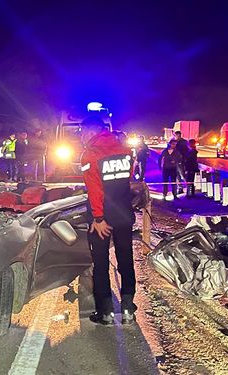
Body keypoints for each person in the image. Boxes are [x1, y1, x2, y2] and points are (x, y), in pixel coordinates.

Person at [79, 116, 137, 325]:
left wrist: (98, 218)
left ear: (90, 131)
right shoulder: (125, 150)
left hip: (102, 216)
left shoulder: (90, 155)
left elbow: (95, 190)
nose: (81, 136)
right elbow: (128, 177)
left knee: (101, 262)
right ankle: (128, 307)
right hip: (123, 213)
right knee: (125, 259)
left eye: (82, 132)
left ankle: (105, 311)